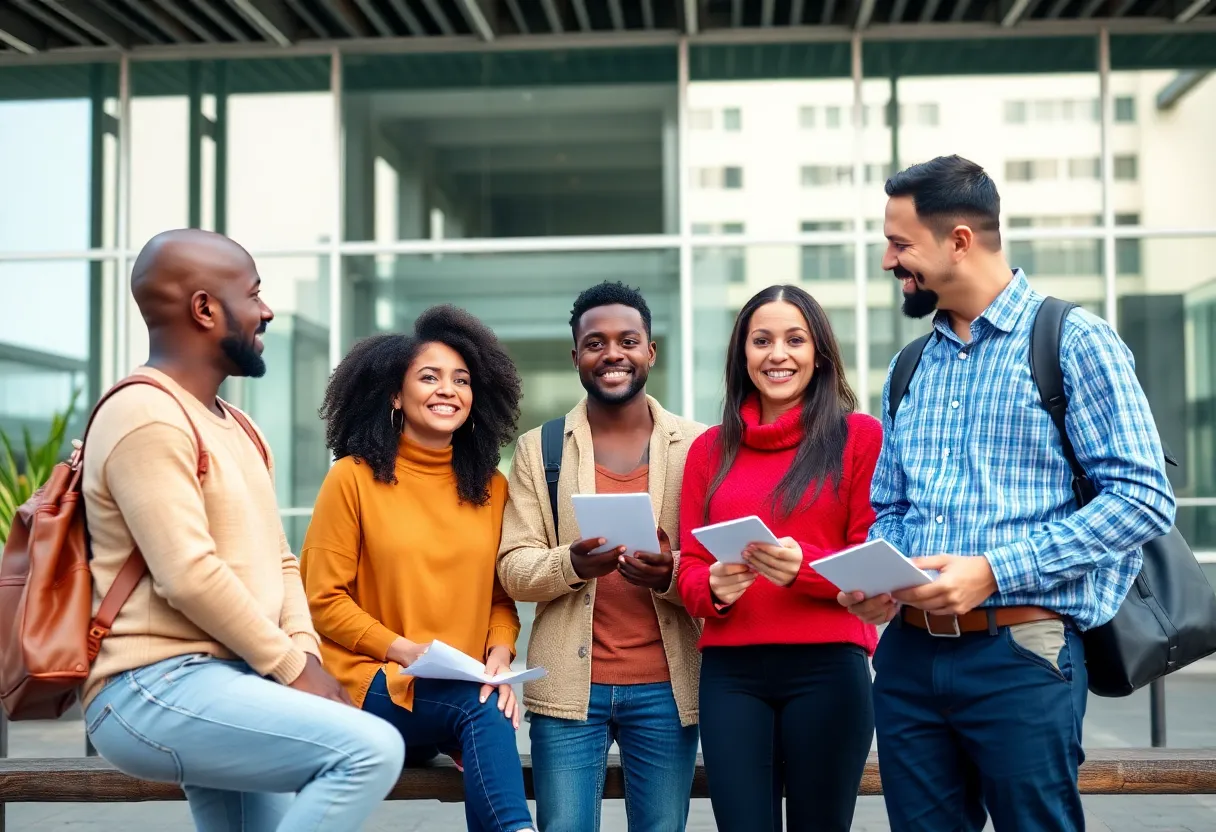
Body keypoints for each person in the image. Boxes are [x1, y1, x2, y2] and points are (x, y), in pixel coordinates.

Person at [841, 155, 1176, 831]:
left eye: (900, 244)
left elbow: (1143, 497)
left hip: (1022, 654)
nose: (888, 261)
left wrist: (993, 570)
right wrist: (888, 571)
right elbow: (894, 507)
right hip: (907, 661)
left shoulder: (1074, 341)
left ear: (959, 240)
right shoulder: (911, 365)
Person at [81, 229, 404, 831]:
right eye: (253, 294)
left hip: (232, 682)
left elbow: (281, 561)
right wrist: (292, 668)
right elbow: (188, 575)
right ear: (204, 308)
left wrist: (304, 652)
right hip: (153, 684)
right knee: (369, 748)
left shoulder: (240, 427)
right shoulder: (144, 414)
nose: (266, 310)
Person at [300, 305, 535, 832]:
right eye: (428, 377)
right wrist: (409, 652)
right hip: (370, 683)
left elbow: (500, 599)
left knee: (486, 703)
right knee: (482, 711)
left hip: (454, 691)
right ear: (394, 394)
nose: (447, 390)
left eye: (461, 380)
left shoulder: (491, 488)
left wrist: (498, 658)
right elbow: (323, 600)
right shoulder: (352, 479)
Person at [496, 281, 705, 832]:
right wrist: (573, 565)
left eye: (628, 340)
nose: (612, 353)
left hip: (668, 688)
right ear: (576, 357)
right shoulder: (538, 448)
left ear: (650, 352)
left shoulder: (700, 445)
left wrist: (672, 570)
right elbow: (514, 566)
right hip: (567, 692)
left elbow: (719, 571)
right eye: (595, 343)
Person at [676, 284, 881, 832]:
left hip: (830, 671)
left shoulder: (859, 437)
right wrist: (712, 588)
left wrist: (805, 570)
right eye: (761, 340)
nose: (778, 354)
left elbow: (872, 559)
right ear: (743, 354)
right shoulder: (708, 450)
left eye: (796, 339)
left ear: (819, 353)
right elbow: (690, 566)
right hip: (731, 676)